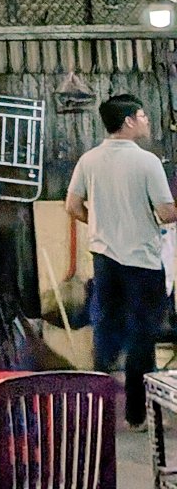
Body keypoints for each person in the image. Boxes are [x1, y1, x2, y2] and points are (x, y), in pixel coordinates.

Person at [65, 93, 177, 431]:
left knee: (106, 333)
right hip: (142, 262)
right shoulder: (147, 163)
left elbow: (72, 206)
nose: (146, 121)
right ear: (128, 121)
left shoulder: (89, 160)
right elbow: (166, 212)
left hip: (104, 261)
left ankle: (98, 412)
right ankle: (135, 415)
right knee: (141, 337)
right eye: (142, 116)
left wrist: (101, 223)